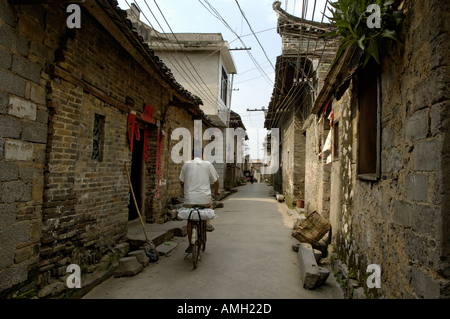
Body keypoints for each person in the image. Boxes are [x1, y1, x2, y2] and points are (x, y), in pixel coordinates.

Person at [179, 147, 220, 253]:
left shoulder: (186, 164)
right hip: (204, 198)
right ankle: (207, 223)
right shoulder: (207, 164)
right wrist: (216, 191)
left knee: (190, 220)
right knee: (209, 204)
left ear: (192, 155)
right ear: (203, 155)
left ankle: (190, 245)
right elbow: (216, 182)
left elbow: (182, 182)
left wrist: (186, 191)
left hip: (189, 199)